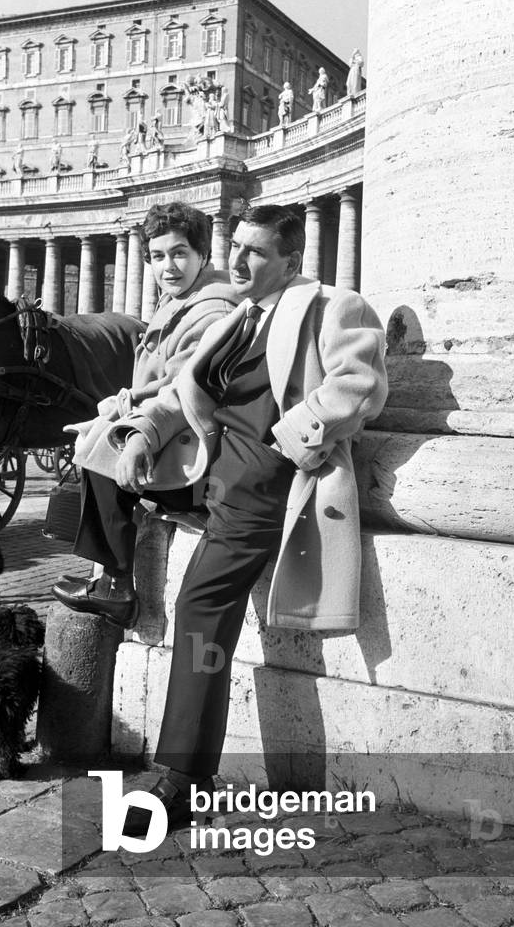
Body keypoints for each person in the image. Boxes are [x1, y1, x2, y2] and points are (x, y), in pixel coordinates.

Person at [112, 204, 388, 835]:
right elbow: (182, 393)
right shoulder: (240, 316)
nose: (236, 261)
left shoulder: (332, 306)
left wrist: (291, 437)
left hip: (268, 493)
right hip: (212, 484)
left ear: (290, 260)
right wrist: (144, 433)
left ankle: (183, 773)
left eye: (256, 252)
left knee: (200, 605)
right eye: (234, 246)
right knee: (105, 480)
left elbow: (361, 383)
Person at [52, 203, 239, 626]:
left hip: (202, 460)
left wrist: (131, 412)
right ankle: (109, 575)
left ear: (203, 256)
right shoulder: (182, 300)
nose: (167, 266)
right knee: (103, 430)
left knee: (109, 442)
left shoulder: (210, 310)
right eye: (157, 256)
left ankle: (116, 583)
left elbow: (183, 387)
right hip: (182, 438)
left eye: (179, 254)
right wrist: (128, 399)